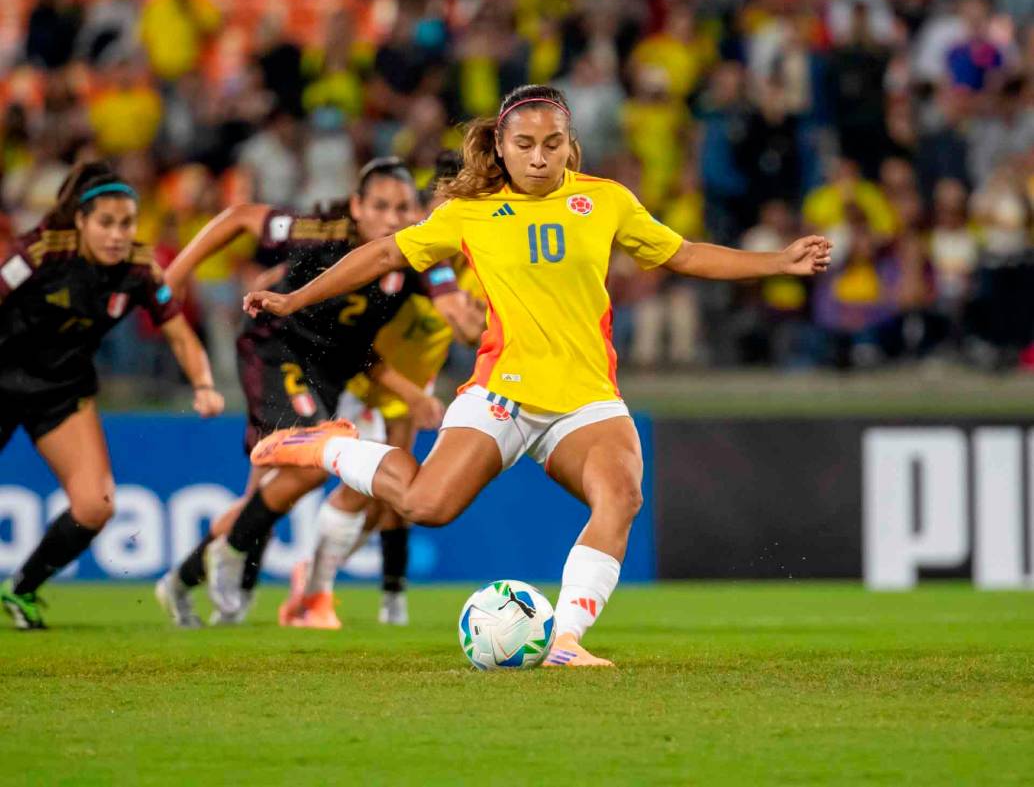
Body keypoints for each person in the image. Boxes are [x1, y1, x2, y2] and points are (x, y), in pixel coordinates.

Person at [241, 85, 832, 666]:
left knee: (621, 497)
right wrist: (294, 301)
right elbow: (381, 255)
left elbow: (683, 254)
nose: (539, 157)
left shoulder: (607, 201)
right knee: (425, 505)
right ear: (500, 146)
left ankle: (566, 642)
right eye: (524, 144)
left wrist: (779, 260)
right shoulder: (468, 213)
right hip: (502, 393)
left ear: (570, 144)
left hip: (586, 399)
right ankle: (330, 446)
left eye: (552, 143)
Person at [154, 157, 480, 627]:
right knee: (311, 464)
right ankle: (234, 554)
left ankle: (181, 581)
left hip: (329, 373)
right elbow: (243, 216)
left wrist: (474, 315)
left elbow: (450, 304)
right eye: (381, 206)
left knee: (265, 496)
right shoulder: (321, 230)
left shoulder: (412, 258)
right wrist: (178, 273)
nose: (392, 218)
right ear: (356, 207)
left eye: (403, 208)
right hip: (276, 348)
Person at [0, 161, 224, 630]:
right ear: (80, 222)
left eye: (126, 223)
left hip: (62, 392)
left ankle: (21, 590)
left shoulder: (140, 271)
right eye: (106, 223)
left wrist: (204, 385)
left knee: (95, 506)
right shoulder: (40, 252)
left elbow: (181, 335)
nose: (117, 235)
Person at [280, 151, 485, 629]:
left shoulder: (475, 266)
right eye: (442, 204)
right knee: (362, 495)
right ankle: (313, 594)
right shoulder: (409, 256)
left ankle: (333, 585)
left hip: (410, 391)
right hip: (362, 382)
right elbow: (357, 341)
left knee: (387, 505)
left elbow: (472, 332)